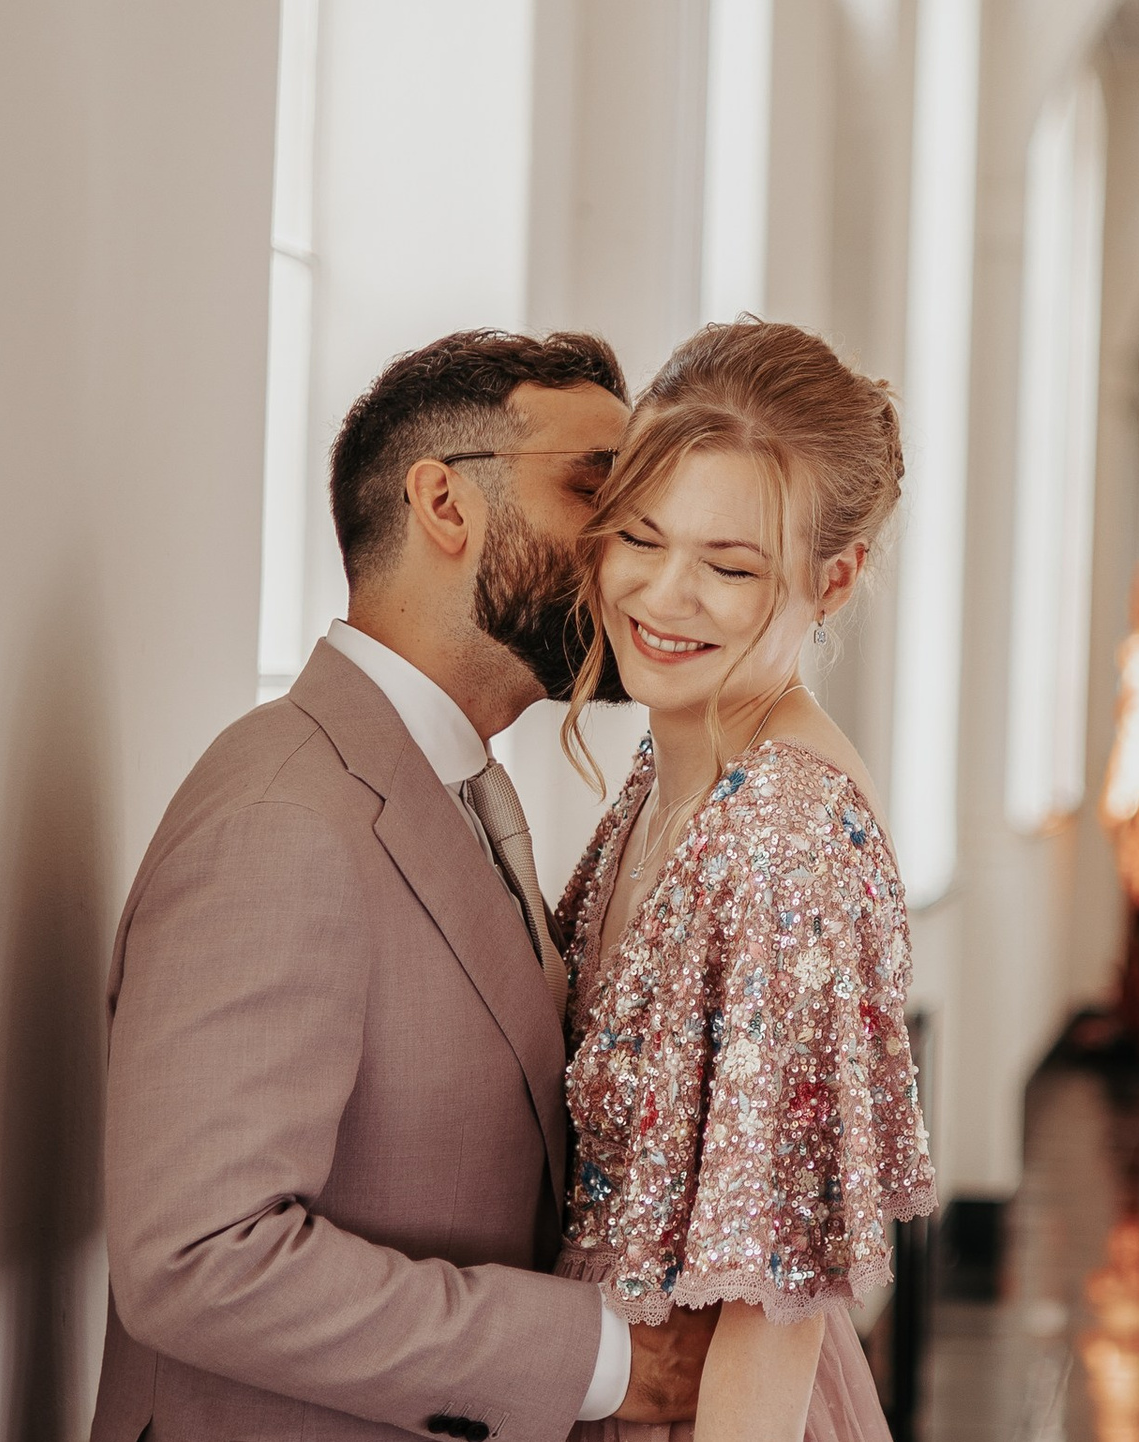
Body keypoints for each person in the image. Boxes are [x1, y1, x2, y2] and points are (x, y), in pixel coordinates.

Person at [92, 330, 712, 1442]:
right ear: (443, 503)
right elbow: (199, 1257)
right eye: (596, 490)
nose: (633, 550)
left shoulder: (448, 783)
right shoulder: (282, 820)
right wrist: (604, 1362)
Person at [549, 320, 937, 1442]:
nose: (663, 595)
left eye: (729, 568)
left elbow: (773, 1315)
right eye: (640, 536)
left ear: (835, 577)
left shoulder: (786, 835)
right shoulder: (676, 767)